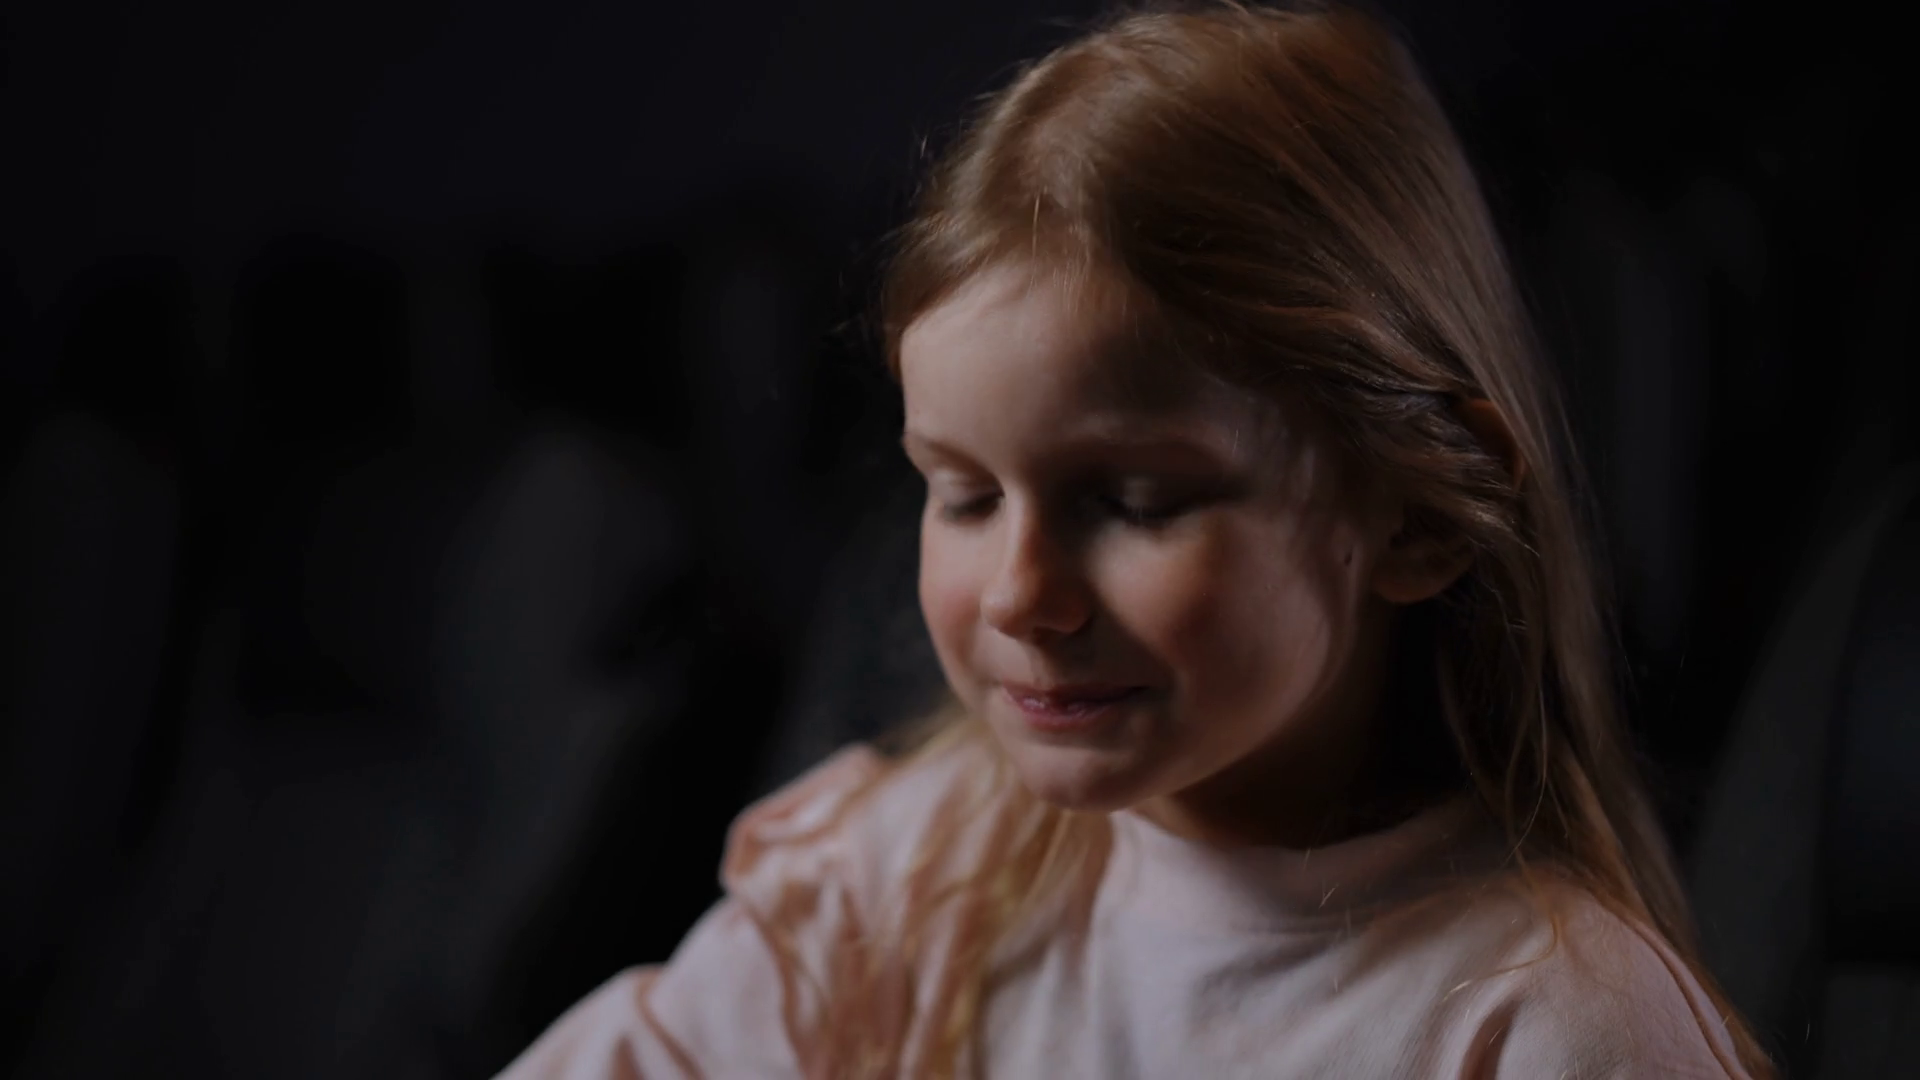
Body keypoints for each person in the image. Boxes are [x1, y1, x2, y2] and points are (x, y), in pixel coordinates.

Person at [498, 3, 1769, 1076]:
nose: (1021, 594)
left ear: (1422, 511)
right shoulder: (911, 878)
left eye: (1136, 502)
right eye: (965, 495)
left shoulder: (1548, 1026)